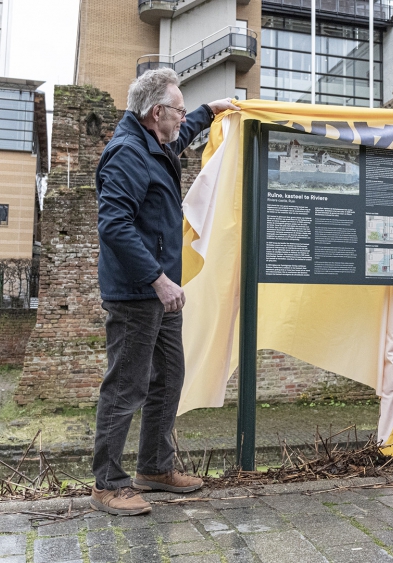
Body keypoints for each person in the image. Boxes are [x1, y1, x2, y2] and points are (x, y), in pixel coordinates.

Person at [92, 68, 240, 515]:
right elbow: (113, 224)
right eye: (177, 109)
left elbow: (178, 138)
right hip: (138, 293)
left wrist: (207, 113)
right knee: (126, 386)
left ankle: (154, 467)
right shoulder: (126, 153)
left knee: (169, 376)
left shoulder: (153, 142)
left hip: (162, 294)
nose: (181, 118)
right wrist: (157, 279)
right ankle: (107, 485)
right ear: (157, 112)